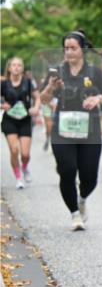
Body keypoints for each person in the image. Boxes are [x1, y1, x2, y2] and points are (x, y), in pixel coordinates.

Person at [39, 31, 102, 229]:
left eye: (73, 48)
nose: (69, 52)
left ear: (82, 50)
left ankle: (82, 199)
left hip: (90, 130)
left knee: (89, 177)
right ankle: (75, 214)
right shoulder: (56, 72)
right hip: (62, 130)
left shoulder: (94, 72)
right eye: (66, 48)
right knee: (67, 170)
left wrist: (98, 98)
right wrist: (50, 87)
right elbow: (44, 99)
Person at [2, 57, 40, 189]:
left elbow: (37, 97)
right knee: (14, 150)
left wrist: (36, 108)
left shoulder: (28, 82)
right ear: (9, 68)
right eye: (14, 65)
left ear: (22, 68)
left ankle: (24, 167)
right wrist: (2, 105)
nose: (16, 67)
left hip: (25, 120)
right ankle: (18, 178)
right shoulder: (4, 84)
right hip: (9, 120)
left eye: (19, 65)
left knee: (25, 154)